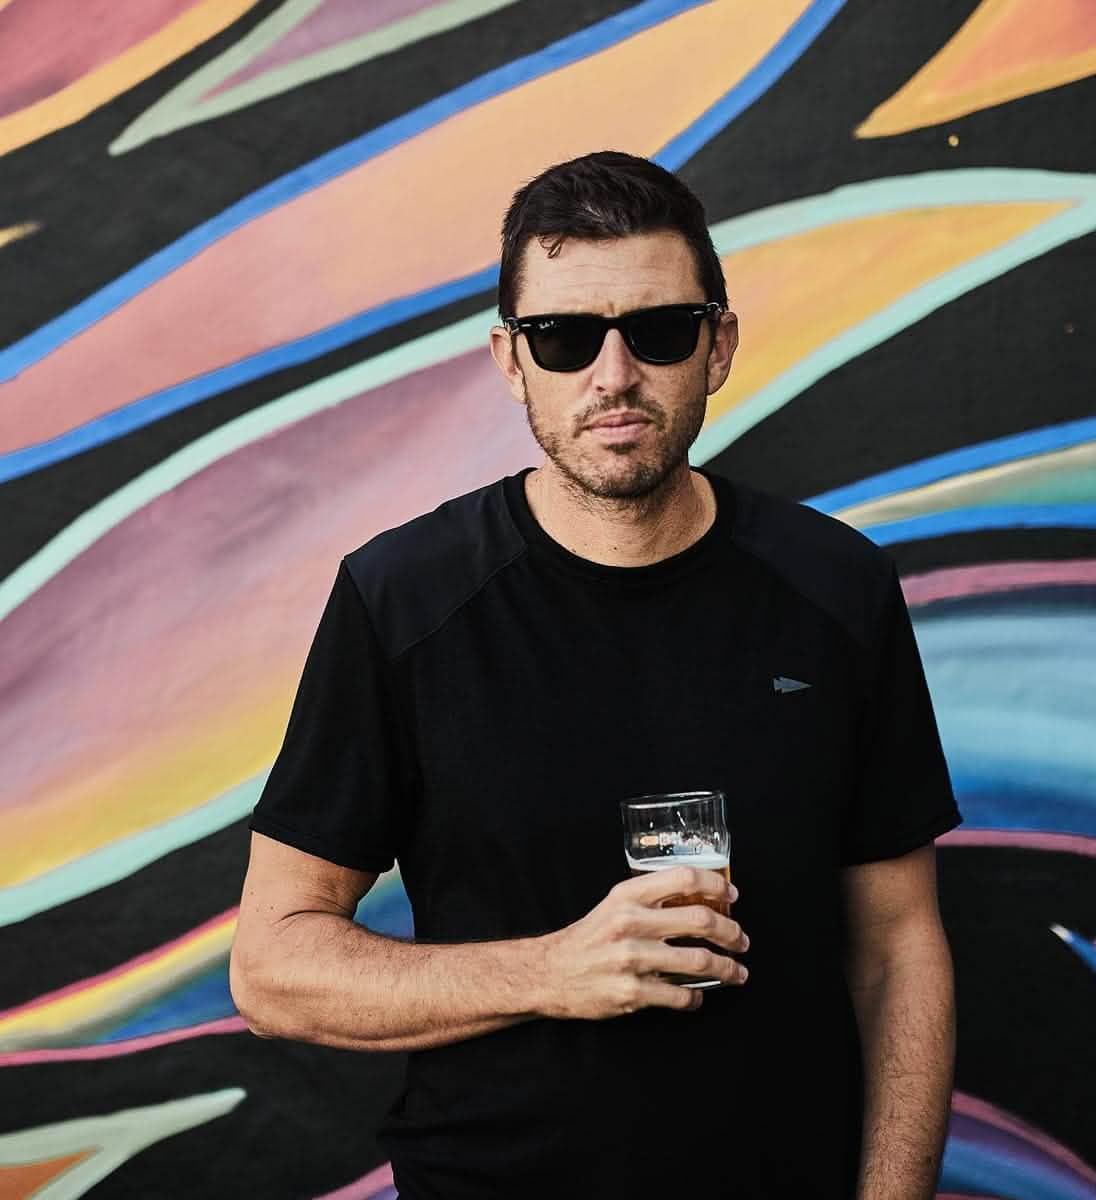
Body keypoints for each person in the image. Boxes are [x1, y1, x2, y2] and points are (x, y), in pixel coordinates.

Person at [231, 150, 962, 1199]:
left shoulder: (835, 587)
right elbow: (273, 970)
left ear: (718, 346)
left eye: (658, 331)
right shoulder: (403, 599)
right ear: (509, 359)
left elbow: (899, 946)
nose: (613, 376)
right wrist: (555, 970)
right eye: (566, 339)